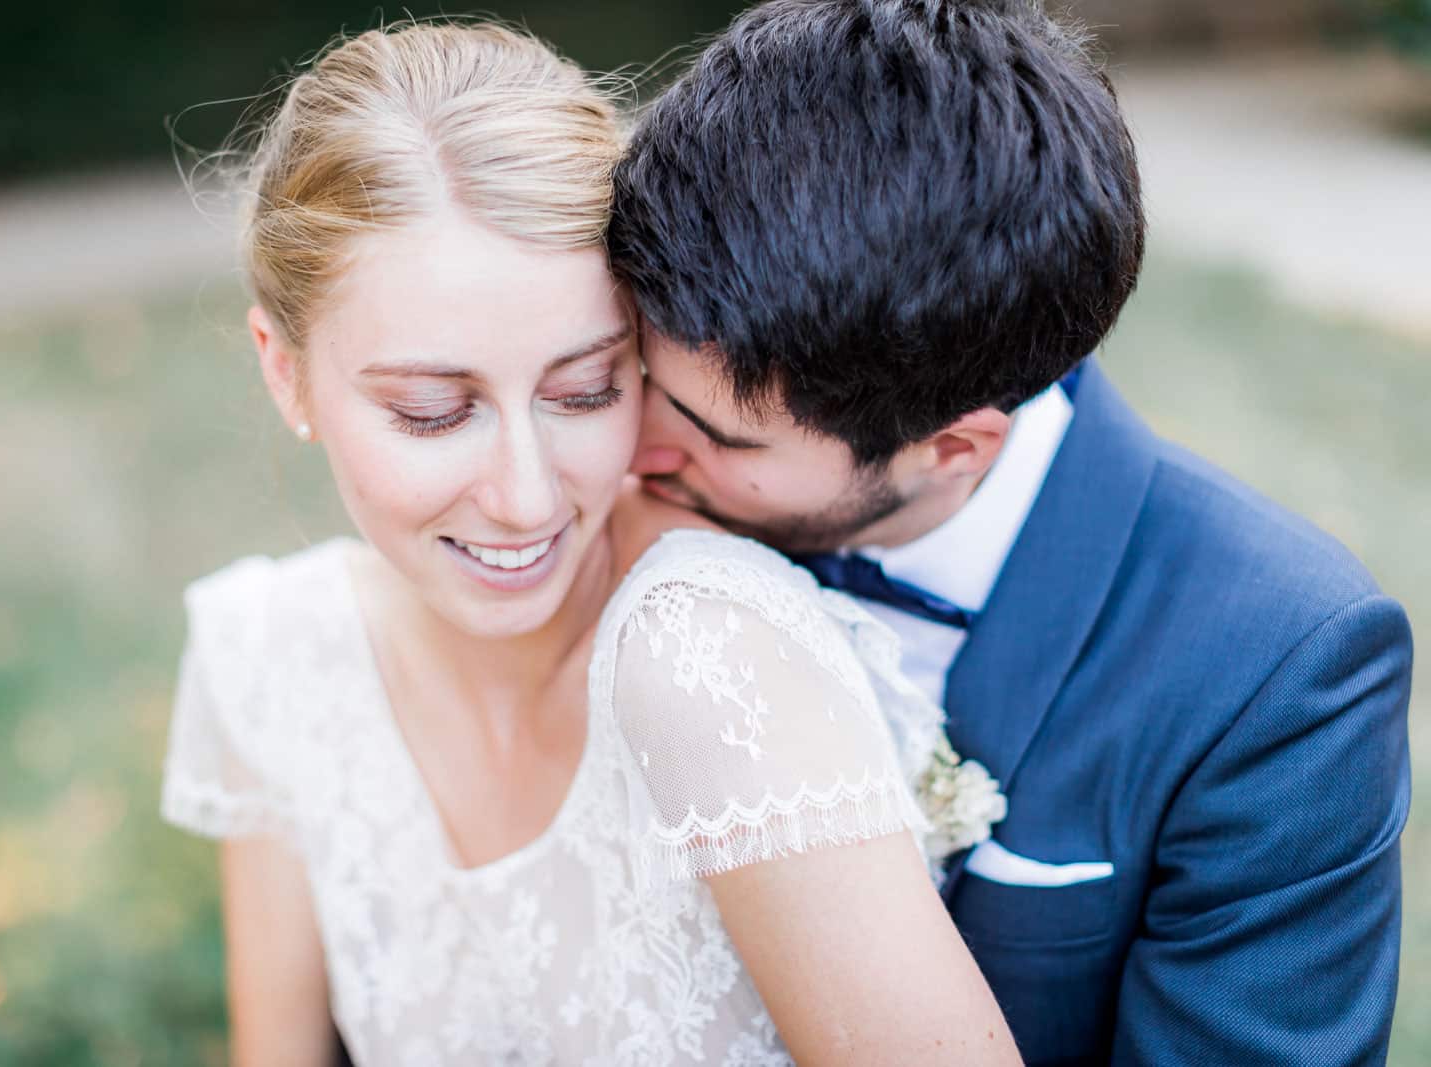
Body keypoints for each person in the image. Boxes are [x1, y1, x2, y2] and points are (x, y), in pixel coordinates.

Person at [160, 21, 1020, 1066]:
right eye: (433, 410)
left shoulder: (707, 650)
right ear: (285, 371)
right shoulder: (272, 649)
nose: (526, 498)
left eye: (584, 390)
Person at [607, 0, 1414, 1063]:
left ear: (955, 446)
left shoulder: (1278, 668)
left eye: (714, 434)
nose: (633, 447)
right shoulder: (583, 516)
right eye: (625, 375)